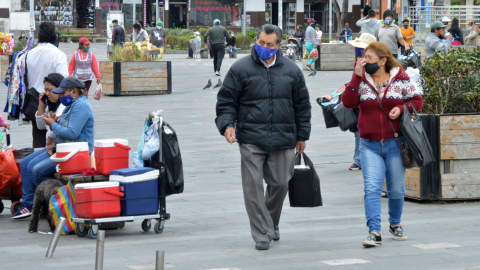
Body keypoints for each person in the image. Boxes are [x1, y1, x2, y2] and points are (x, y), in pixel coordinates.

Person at [215, 24, 311, 251]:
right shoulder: (240, 68)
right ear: (255, 42)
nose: (264, 48)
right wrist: (227, 125)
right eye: (261, 43)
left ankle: (271, 222)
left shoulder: (292, 70)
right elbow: (226, 101)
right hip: (250, 138)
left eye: (270, 45)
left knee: (279, 184)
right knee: (253, 188)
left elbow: (302, 106)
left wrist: (302, 136)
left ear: (279, 46)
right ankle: (261, 233)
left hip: (284, 138)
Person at [342, 41, 423, 247]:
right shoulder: (360, 81)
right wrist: (356, 75)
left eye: (370, 58)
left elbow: (417, 101)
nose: (365, 61)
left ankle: (395, 224)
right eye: (364, 57)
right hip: (369, 144)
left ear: (383, 60)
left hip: (396, 143)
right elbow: (348, 102)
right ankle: (374, 231)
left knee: (396, 190)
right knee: (372, 188)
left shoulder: (401, 78)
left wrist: (402, 108)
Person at [11, 73, 65, 219]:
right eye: (46, 90)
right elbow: (41, 126)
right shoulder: (51, 105)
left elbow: (58, 131)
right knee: (25, 164)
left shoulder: (64, 107)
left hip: (60, 148)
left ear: (60, 89)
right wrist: (41, 105)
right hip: (52, 147)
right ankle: (28, 204)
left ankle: (46, 202)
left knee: (35, 169)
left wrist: (52, 124)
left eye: (50, 90)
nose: (47, 93)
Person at [24, 22, 68, 148]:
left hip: (35, 102)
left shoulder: (28, 55)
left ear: (38, 37)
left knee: (38, 139)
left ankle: (36, 163)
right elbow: (63, 81)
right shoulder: (58, 55)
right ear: (55, 37)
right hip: (54, 102)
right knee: (56, 138)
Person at [347, 33, 377, 171]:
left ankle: (360, 160)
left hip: (371, 103)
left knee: (361, 131)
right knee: (359, 131)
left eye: (360, 48)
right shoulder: (359, 62)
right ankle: (360, 159)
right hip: (360, 102)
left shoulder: (373, 64)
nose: (357, 50)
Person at [43, 77, 95, 153]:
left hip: (78, 152)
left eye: (63, 93)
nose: (60, 97)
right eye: (60, 94)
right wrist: (55, 122)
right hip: (67, 149)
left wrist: (53, 124)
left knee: (34, 165)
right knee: (27, 163)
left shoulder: (80, 105)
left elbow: (71, 133)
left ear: (74, 92)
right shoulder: (71, 104)